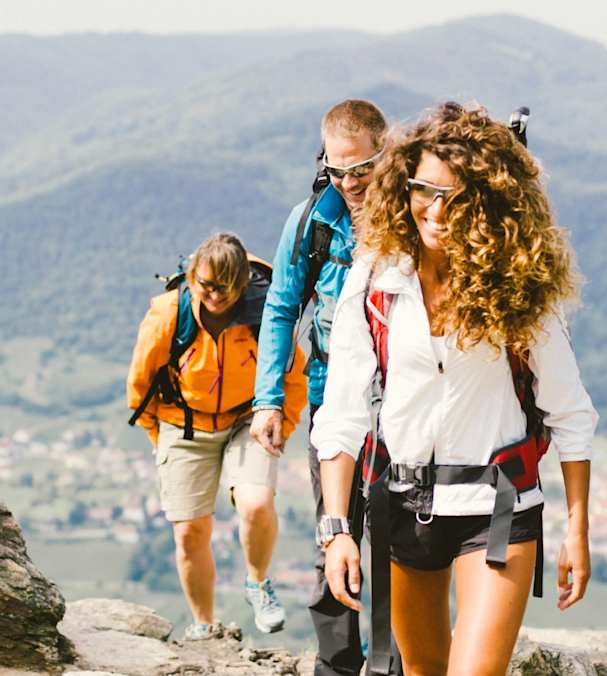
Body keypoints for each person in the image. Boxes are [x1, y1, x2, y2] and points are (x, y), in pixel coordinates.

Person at [312, 102, 598, 676]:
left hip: (498, 508)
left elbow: (571, 415)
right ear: (403, 188)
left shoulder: (519, 288)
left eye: (458, 196)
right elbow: (341, 415)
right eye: (425, 190)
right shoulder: (375, 280)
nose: (438, 210)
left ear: (488, 202)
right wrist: (337, 530)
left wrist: (577, 531)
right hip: (401, 508)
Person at [250, 99, 393, 675]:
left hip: (406, 402)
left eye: (363, 169)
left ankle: (393, 660)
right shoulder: (311, 219)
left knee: (400, 533)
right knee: (334, 530)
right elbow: (282, 307)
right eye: (338, 170)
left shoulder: (416, 214)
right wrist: (268, 400)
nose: (351, 182)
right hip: (332, 394)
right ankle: (336, 665)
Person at [128, 232, 308, 640]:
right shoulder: (168, 314)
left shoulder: (266, 313)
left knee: (257, 502)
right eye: (204, 285)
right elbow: (139, 383)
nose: (212, 296)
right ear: (192, 277)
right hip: (183, 420)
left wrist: (284, 424)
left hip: (250, 417)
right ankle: (204, 626)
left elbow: (293, 378)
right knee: (190, 531)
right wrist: (160, 437)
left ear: (242, 283)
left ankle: (257, 583)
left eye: (223, 288)